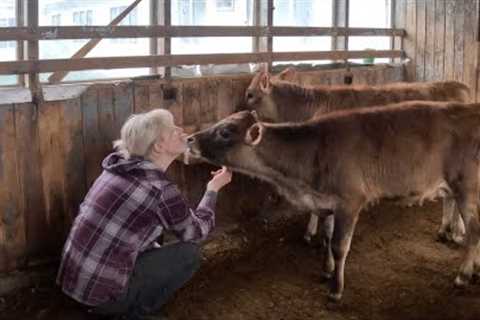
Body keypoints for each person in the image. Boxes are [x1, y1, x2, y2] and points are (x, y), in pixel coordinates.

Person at [56, 109, 232, 320]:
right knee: (189, 254)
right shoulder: (158, 188)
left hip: (72, 284)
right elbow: (196, 233)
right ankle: (134, 314)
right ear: (158, 146)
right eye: (173, 130)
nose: (180, 130)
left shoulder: (116, 168)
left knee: (155, 235)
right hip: (101, 298)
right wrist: (213, 189)